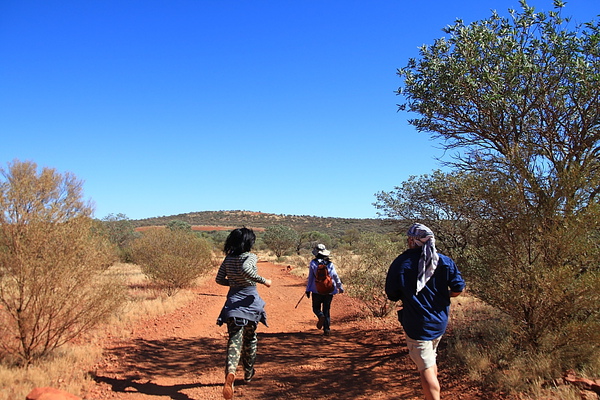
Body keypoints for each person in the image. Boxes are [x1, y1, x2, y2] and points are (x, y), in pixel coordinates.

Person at [385, 223, 465, 400]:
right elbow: (458, 288)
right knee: (430, 359)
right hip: (440, 321)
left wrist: (408, 294)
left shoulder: (401, 262)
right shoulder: (444, 261)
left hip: (416, 324)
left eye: (409, 238)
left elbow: (391, 294)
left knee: (425, 368)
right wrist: (443, 295)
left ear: (414, 241)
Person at [216, 227, 272, 400]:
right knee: (250, 339)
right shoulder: (251, 256)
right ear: (249, 242)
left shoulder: (228, 258)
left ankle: (230, 372)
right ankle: (248, 374)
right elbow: (248, 270)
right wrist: (265, 281)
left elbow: (219, 279)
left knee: (234, 340)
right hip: (250, 303)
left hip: (233, 304)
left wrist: (234, 284)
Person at [305, 244, 344, 336]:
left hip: (316, 290)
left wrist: (308, 290)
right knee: (327, 309)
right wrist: (340, 287)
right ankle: (327, 329)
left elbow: (310, 278)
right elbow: (335, 276)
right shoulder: (330, 264)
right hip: (329, 290)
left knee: (316, 308)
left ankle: (320, 315)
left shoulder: (313, 263)